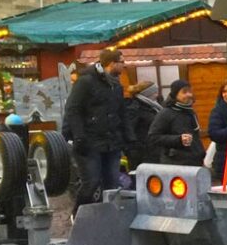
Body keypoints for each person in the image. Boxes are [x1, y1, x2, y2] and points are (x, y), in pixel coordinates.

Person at [63, 47, 131, 213]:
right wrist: (79, 136)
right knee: (91, 182)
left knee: (112, 183)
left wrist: (129, 137)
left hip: (111, 141)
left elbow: (121, 112)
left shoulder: (116, 85)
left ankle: (106, 216)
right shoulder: (86, 81)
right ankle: (78, 213)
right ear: (111, 64)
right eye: (122, 62)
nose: (124, 66)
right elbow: (73, 110)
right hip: (89, 141)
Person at [148, 80, 206, 167]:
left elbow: (195, 137)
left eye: (190, 91)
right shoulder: (166, 113)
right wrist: (178, 139)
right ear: (175, 94)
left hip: (194, 162)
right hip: (175, 164)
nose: (189, 95)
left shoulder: (190, 112)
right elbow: (153, 137)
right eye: (184, 92)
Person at [124, 82, 161, 173]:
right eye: (155, 92)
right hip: (140, 152)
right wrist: (133, 149)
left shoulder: (154, 107)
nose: (157, 94)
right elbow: (128, 129)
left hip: (154, 149)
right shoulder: (134, 108)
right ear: (148, 93)